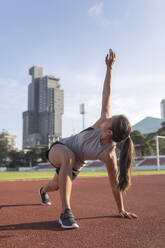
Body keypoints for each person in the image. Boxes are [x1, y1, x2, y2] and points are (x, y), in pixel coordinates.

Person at [39, 48, 137, 229]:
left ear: (109, 134)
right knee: (68, 155)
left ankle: (42, 191)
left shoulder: (108, 155)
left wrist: (121, 209)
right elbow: (106, 94)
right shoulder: (102, 121)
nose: (106, 117)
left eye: (110, 119)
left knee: (55, 185)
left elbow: (114, 183)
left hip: (74, 165)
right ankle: (65, 213)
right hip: (60, 148)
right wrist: (109, 69)